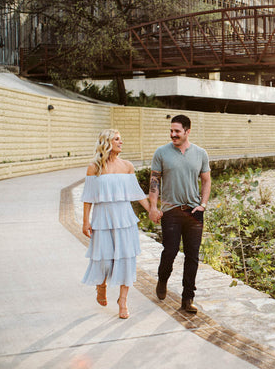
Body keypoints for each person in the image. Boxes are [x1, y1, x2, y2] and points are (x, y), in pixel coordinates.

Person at [81, 129, 149, 319]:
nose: (121, 142)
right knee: (103, 258)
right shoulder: (94, 168)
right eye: (117, 139)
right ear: (107, 143)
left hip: (124, 218)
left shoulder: (127, 166)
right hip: (102, 218)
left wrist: (152, 210)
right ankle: (101, 284)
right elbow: (88, 197)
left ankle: (123, 301)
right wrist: (85, 221)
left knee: (126, 258)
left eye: (121, 138)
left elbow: (136, 193)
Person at [149, 114, 211, 313]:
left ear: (187, 131)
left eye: (177, 131)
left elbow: (206, 180)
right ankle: (162, 279)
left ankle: (187, 298)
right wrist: (153, 207)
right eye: (171, 131)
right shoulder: (161, 153)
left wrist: (203, 204)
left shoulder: (200, 153)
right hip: (171, 211)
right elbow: (154, 182)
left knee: (192, 256)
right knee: (170, 251)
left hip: (194, 212)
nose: (172, 134)